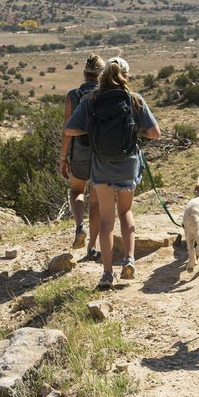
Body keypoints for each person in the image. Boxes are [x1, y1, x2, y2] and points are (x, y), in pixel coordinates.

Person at [64, 56, 160, 288]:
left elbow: (69, 129)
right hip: (128, 164)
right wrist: (136, 132)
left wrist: (92, 130)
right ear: (125, 75)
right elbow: (155, 133)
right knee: (126, 211)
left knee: (107, 219)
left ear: (103, 75)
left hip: (102, 165)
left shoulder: (91, 100)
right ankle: (129, 259)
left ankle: (107, 273)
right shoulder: (134, 99)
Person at [59, 53, 105, 260]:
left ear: (85, 73)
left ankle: (79, 226)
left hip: (79, 151)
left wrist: (63, 158)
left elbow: (67, 130)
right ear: (101, 74)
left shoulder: (73, 95)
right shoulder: (105, 94)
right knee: (95, 203)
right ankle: (92, 247)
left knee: (77, 190)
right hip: (100, 152)